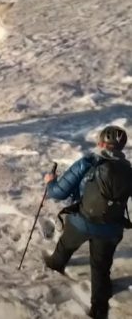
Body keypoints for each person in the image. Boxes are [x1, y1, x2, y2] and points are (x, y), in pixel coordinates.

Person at [43, 125, 132, 319]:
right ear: (122, 147)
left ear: (100, 142)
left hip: (81, 221)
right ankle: (99, 309)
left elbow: (57, 192)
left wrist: (50, 181)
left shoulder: (89, 162)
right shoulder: (129, 170)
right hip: (111, 229)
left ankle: (55, 264)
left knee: (66, 245)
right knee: (100, 267)